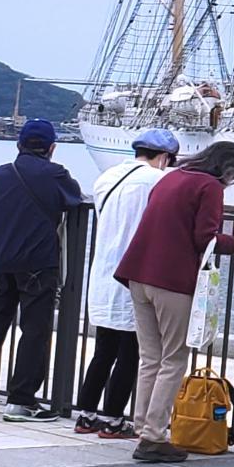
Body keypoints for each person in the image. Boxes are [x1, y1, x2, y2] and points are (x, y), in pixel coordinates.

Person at [116, 140, 234, 464]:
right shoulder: (210, 187)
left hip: (137, 274)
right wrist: (233, 244)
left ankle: (143, 425)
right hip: (171, 280)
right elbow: (206, 237)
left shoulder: (173, 176)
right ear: (226, 170)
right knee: (173, 359)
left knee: (150, 358)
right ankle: (154, 437)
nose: (232, 182)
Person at [0, 119, 85, 421]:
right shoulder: (56, 174)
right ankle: (21, 400)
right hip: (37, 264)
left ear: (19, 145)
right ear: (51, 148)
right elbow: (74, 199)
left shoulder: (0, 174)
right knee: (34, 331)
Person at [73, 127, 178, 438]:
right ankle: (115, 419)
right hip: (134, 271)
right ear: (163, 157)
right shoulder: (158, 181)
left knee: (103, 349)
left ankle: (86, 414)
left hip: (104, 270)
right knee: (131, 351)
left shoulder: (107, 177)